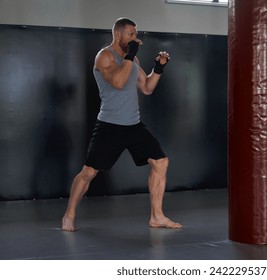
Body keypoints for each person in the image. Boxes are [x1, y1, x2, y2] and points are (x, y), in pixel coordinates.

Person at [61, 17, 182, 232]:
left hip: (133, 124)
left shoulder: (132, 61)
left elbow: (146, 88)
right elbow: (118, 83)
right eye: (131, 34)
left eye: (136, 34)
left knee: (160, 162)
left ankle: (157, 216)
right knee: (89, 172)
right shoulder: (104, 56)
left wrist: (158, 68)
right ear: (118, 34)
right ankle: (69, 215)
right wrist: (131, 55)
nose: (136, 38)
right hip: (109, 125)